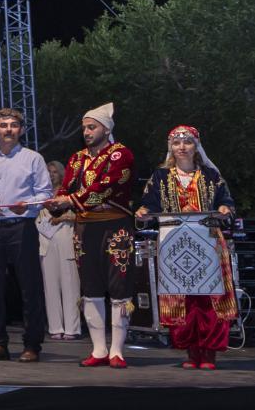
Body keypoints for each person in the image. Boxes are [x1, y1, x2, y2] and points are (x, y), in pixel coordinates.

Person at [135, 125, 238, 370]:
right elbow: (148, 205)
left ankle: (209, 354)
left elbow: (227, 203)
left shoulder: (212, 176)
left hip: (208, 243)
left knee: (209, 299)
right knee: (184, 300)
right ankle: (192, 353)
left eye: (187, 142)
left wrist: (224, 210)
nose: (182, 147)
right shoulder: (160, 177)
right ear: (170, 147)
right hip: (174, 244)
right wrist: (143, 212)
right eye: (177, 143)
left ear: (196, 146)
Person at [47, 103, 137, 368]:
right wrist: (55, 201)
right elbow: (66, 186)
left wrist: (69, 200)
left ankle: (117, 350)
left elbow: (105, 187)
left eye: (91, 127)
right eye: (84, 127)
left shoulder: (121, 155)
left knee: (119, 285)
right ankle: (99, 349)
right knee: (90, 286)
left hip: (115, 225)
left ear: (106, 129)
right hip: (85, 227)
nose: (86, 132)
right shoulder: (76, 158)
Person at [0, 108, 52, 363]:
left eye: (13, 125)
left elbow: (45, 193)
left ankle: (32, 345)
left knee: (30, 287)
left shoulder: (33, 159)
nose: (8, 129)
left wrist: (26, 205)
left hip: (22, 228)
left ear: (21, 130)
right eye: (3, 125)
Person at [38, 159, 82, 340]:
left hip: (65, 237)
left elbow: (81, 214)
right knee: (50, 286)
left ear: (61, 174)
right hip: (45, 240)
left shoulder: (69, 194)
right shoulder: (40, 193)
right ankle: (55, 327)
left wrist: (63, 217)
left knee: (70, 284)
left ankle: (72, 328)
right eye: (48, 171)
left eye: (54, 171)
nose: (50, 175)